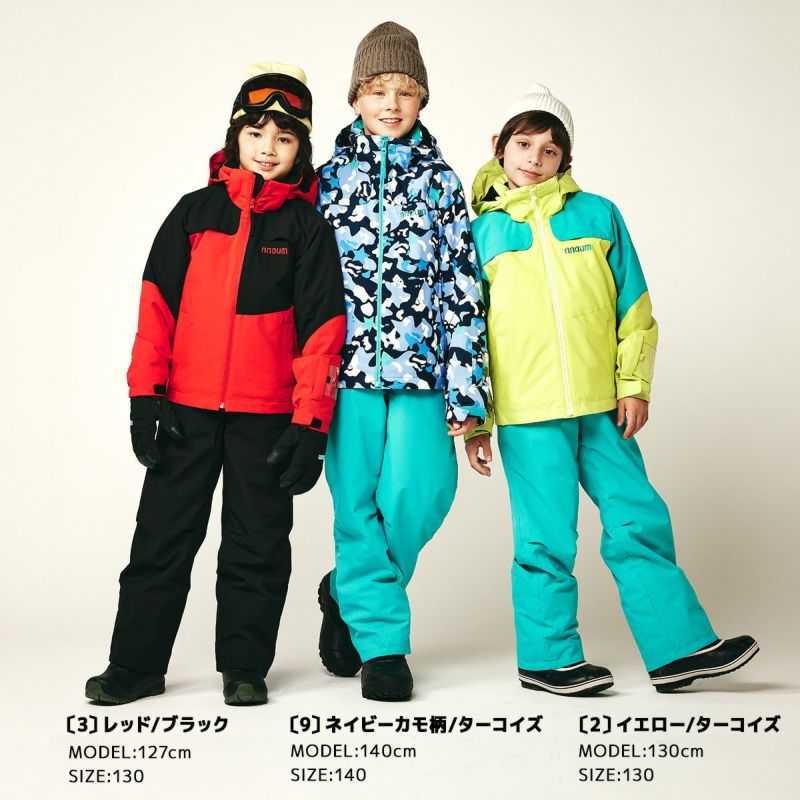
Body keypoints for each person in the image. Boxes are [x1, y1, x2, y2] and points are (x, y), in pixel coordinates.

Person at [465, 84, 758, 695]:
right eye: (524, 144)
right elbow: (468, 332)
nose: (534, 158)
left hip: (603, 405)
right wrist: (476, 418)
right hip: (528, 412)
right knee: (546, 535)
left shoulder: (598, 215)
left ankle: (678, 650)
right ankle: (547, 659)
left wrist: (635, 385)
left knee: (636, 517)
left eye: (550, 149)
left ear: (565, 158)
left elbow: (634, 306)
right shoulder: (479, 233)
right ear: (499, 145)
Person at [85, 63, 345, 706]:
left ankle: (245, 668)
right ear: (235, 137)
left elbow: (321, 332)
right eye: (256, 133)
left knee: (258, 546)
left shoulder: (307, 229)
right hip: (186, 410)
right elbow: (156, 310)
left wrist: (310, 422)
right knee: (160, 539)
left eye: (284, 138)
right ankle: (135, 666)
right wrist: (145, 397)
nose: (268, 148)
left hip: (267, 416)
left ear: (301, 150)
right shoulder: (193, 214)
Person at [316, 22, 487, 701]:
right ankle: (383, 647)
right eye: (378, 89)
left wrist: (468, 394)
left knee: (420, 490)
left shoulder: (442, 183)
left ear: (422, 100)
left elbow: (463, 288)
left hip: (423, 369)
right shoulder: (325, 182)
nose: (392, 103)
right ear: (356, 96)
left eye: (406, 91)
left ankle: (347, 590)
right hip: (345, 373)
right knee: (355, 504)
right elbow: (301, 288)